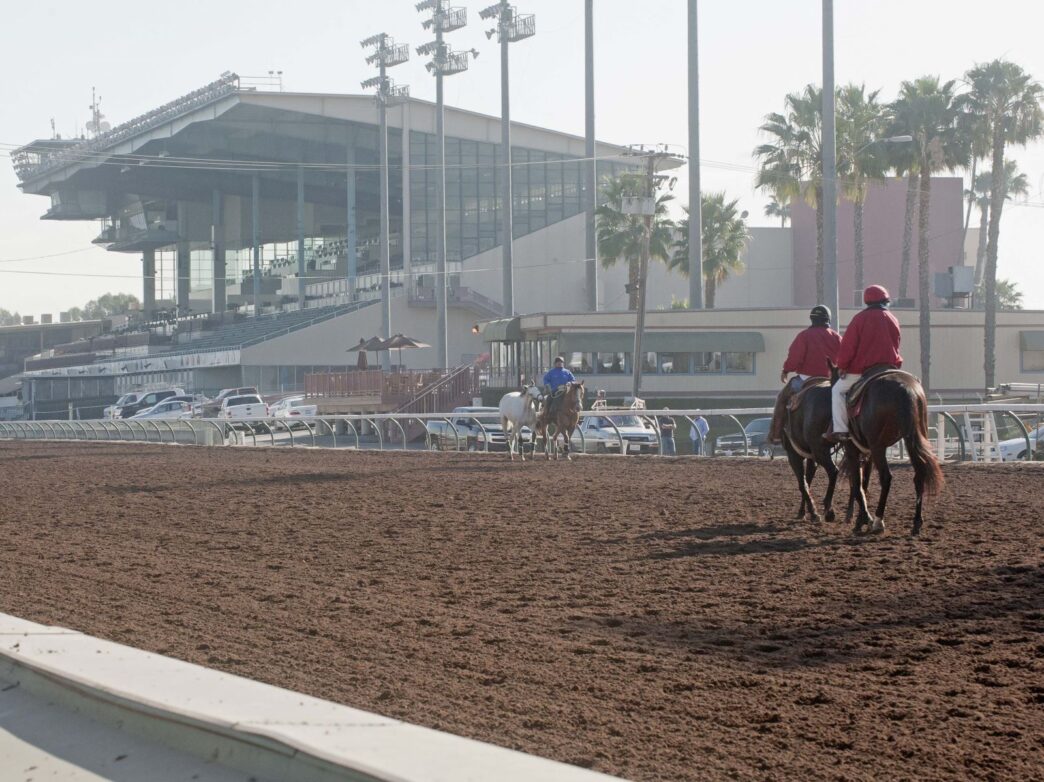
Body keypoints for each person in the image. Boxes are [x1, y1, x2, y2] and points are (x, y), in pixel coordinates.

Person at [825, 284, 903, 445]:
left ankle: (840, 430)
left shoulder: (859, 318)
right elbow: (896, 343)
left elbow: (848, 346)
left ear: (867, 301)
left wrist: (843, 366)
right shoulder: (892, 318)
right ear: (885, 300)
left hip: (862, 370)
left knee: (837, 391)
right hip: (889, 368)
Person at [769, 305, 842, 443]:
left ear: (812, 319)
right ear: (828, 319)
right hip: (830, 380)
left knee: (782, 397)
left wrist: (786, 370)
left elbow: (795, 358)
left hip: (806, 378)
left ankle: (777, 434)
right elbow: (844, 358)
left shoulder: (804, 336)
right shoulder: (836, 337)